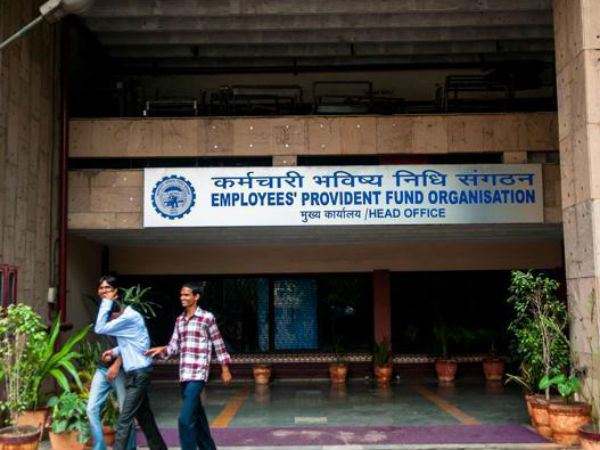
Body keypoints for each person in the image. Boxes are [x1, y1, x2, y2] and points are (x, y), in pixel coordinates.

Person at [146, 282, 232, 450]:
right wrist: (162, 349)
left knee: (185, 420)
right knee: (198, 419)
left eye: (186, 295)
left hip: (198, 374)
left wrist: (225, 368)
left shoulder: (207, 318)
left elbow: (218, 343)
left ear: (196, 297)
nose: (182, 298)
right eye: (181, 295)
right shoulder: (180, 320)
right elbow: (174, 346)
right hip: (184, 374)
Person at [94, 275, 167, 450]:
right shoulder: (128, 317)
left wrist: (106, 302)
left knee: (124, 419)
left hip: (139, 375)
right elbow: (132, 343)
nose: (111, 320)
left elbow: (99, 328)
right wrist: (114, 351)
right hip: (136, 374)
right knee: (145, 418)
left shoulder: (129, 317)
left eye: (111, 317)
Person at [86, 276, 136, 450]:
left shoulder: (123, 312)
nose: (103, 291)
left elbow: (131, 342)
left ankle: (129, 448)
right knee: (91, 409)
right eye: (101, 288)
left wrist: (117, 364)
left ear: (116, 292)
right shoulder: (102, 311)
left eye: (108, 288)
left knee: (125, 412)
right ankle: (99, 447)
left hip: (120, 370)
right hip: (102, 369)